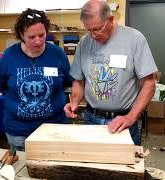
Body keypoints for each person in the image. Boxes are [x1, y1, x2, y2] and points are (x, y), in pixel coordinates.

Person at [64, 0, 158, 145]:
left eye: (97, 29)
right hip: (91, 119)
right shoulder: (84, 43)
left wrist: (131, 117)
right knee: (92, 165)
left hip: (123, 122)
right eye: (88, 30)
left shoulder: (135, 39)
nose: (93, 35)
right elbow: (79, 80)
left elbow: (149, 84)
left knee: (123, 165)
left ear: (111, 19)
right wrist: (74, 102)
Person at [0, 8, 72, 151]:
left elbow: (69, 82)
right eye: (31, 37)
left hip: (55, 128)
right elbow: (2, 88)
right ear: (21, 34)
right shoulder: (8, 56)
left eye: (41, 35)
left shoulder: (58, 54)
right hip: (19, 132)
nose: (37, 41)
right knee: (21, 170)